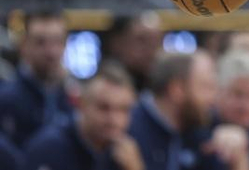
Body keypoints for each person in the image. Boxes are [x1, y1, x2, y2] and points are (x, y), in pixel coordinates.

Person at [129, 51, 249, 170]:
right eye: (206, 87)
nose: (213, 99)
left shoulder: (201, 127)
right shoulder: (128, 128)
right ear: (177, 90)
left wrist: (239, 158)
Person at [22, 61, 144, 170]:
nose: (114, 119)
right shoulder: (49, 148)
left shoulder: (128, 151)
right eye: (103, 108)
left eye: (123, 110)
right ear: (81, 104)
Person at [0, 11, 74, 147]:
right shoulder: (6, 99)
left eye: (58, 41)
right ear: (24, 45)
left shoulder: (74, 98)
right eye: (41, 42)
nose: (51, 52)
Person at [103, 12, 163, 92]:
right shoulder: (103, 85)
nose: (150, 49)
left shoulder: (164, 86)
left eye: (156, 42)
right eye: (142, 40)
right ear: (117, 42)